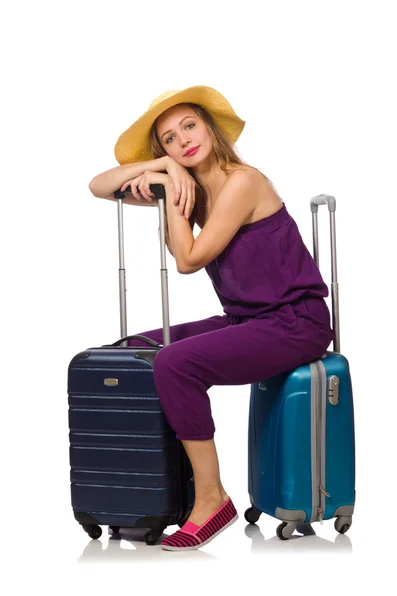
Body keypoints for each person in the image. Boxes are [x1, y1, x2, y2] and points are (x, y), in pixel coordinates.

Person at [88, 85, 334, 551]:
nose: (182, 141)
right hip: (247, 320)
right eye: (168, 139)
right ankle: (158, 490)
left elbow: (188, 258)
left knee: (175, 363)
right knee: (138, 350)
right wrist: (162, 172)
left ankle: (211, 497)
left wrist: (166, 186)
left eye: (189, 126)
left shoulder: (243, 181)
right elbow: (98, 186)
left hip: (295, 322)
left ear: (209, 128)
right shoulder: (187, 185)